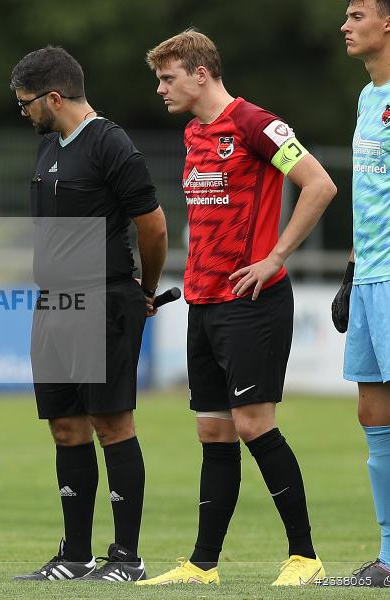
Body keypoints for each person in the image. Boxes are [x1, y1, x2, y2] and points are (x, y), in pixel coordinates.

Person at [140, 29, 337, 586]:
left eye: (168, 78)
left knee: (254, 425)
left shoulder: (256, 123)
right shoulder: (193, 133)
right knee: (213, 432)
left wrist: (275, 257)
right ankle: (203, 565)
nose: (161, 89)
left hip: (251, 303)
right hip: (203, 301)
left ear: (201, 73)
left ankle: (305, 557)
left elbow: (319, 185)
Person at [9, 46, 167, 583]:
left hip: (102, 300)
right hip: (52, 303)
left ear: (54, 97)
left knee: (111, 424)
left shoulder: (110, 143)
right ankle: (75, 556)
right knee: (65, 427)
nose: (24, 112)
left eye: (27, 103)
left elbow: (153, 226)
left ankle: (127, 558)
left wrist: (146, 290)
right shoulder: (49, 146)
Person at [330, 0, 390, 587]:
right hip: (369, 273)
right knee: (372, 411)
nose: (345, 26)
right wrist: (351, 272)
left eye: (356, 15)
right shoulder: (367, 98)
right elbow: (369, 195)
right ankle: (389, 557)